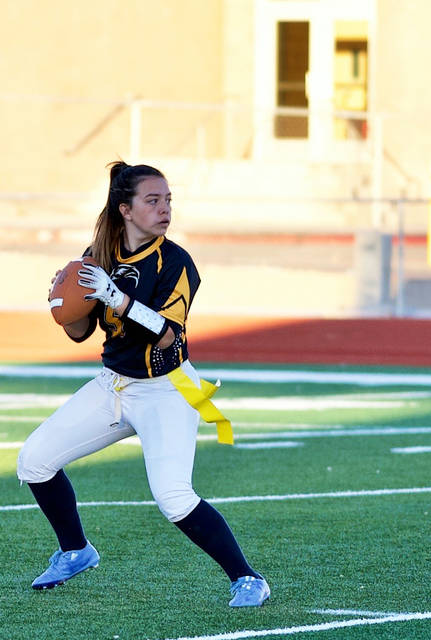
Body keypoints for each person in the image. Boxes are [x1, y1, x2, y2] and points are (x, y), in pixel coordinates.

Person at [17, 161, 270, 607]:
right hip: (114, 385)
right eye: (153, 200)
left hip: (166, 388)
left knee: (174, 497)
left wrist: (116, 297)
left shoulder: (176, 262)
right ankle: (75, 551)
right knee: (33, 461)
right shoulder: (97, 255)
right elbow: (80, 332)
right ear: (126, 209)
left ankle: (248, 578)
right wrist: (66, 305)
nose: (165, 209)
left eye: (168, 199)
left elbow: (169, 333)